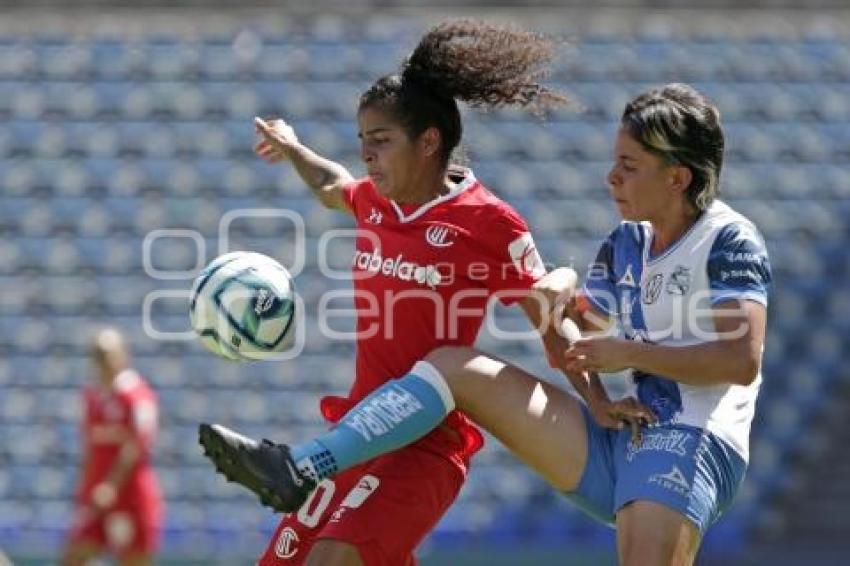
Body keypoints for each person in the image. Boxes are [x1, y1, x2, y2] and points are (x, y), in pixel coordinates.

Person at [203, 82, 771, 565]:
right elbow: (583, 324)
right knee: (451, 368)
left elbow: (739, 360)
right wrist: (567, 289)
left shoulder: (729, 239)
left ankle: (301, 463)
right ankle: (301, 464)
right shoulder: (627, 241)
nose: (610, 178)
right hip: (617, 434)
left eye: (628, 165)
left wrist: (618, 350)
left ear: (677, 177)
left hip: (689, 437)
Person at [62, 328, 162, 566]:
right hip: (95, 494)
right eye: (96, 355)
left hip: (130, 495)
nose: (101, 361)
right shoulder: (90, 396)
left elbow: (139, 444)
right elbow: (89, 447)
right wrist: (86, 488)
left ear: (122, 355)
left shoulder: (137, 395)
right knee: (74, 554)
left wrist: (111, 485)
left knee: (134, 560)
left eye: (106, 354)